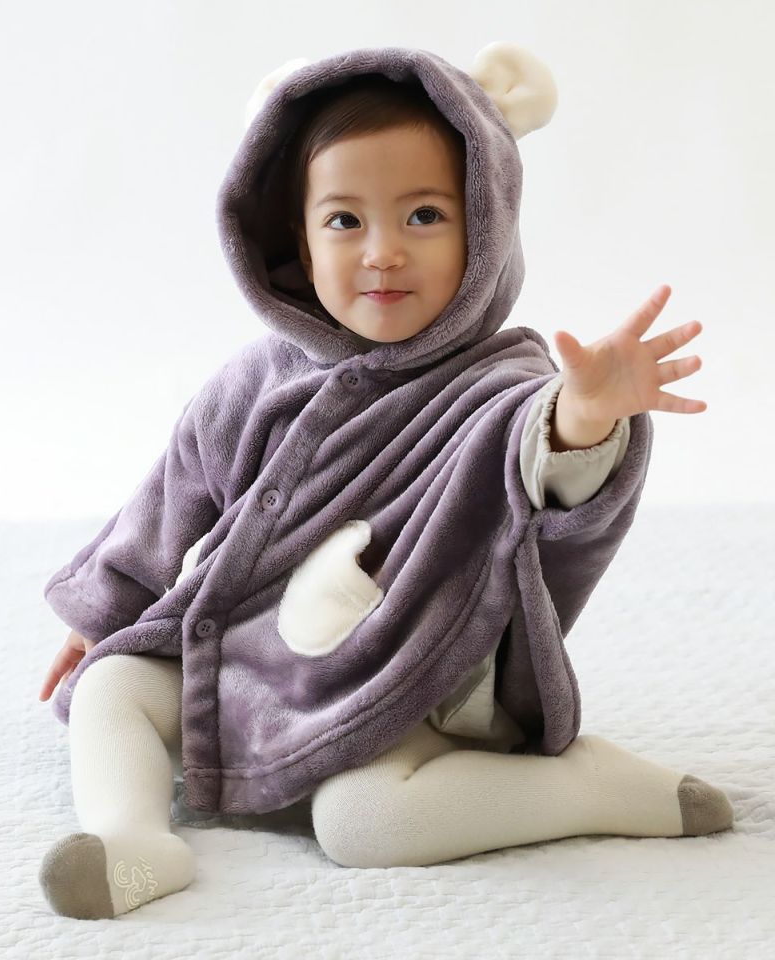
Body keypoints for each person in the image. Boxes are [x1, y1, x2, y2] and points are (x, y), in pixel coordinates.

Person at [38, 43, 733, 920]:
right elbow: (169, 501)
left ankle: (586, 788)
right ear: (296, 240)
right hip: (255, 658)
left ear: (485, 227)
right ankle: (133, 840)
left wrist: (586, 416)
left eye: (425, 216)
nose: (382, 253)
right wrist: (100, 615)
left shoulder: (501, 388)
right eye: (344, 221)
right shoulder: (257, 380)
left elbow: (538, 459)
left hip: (414, 681)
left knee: (363, 823)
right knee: (114, 687)